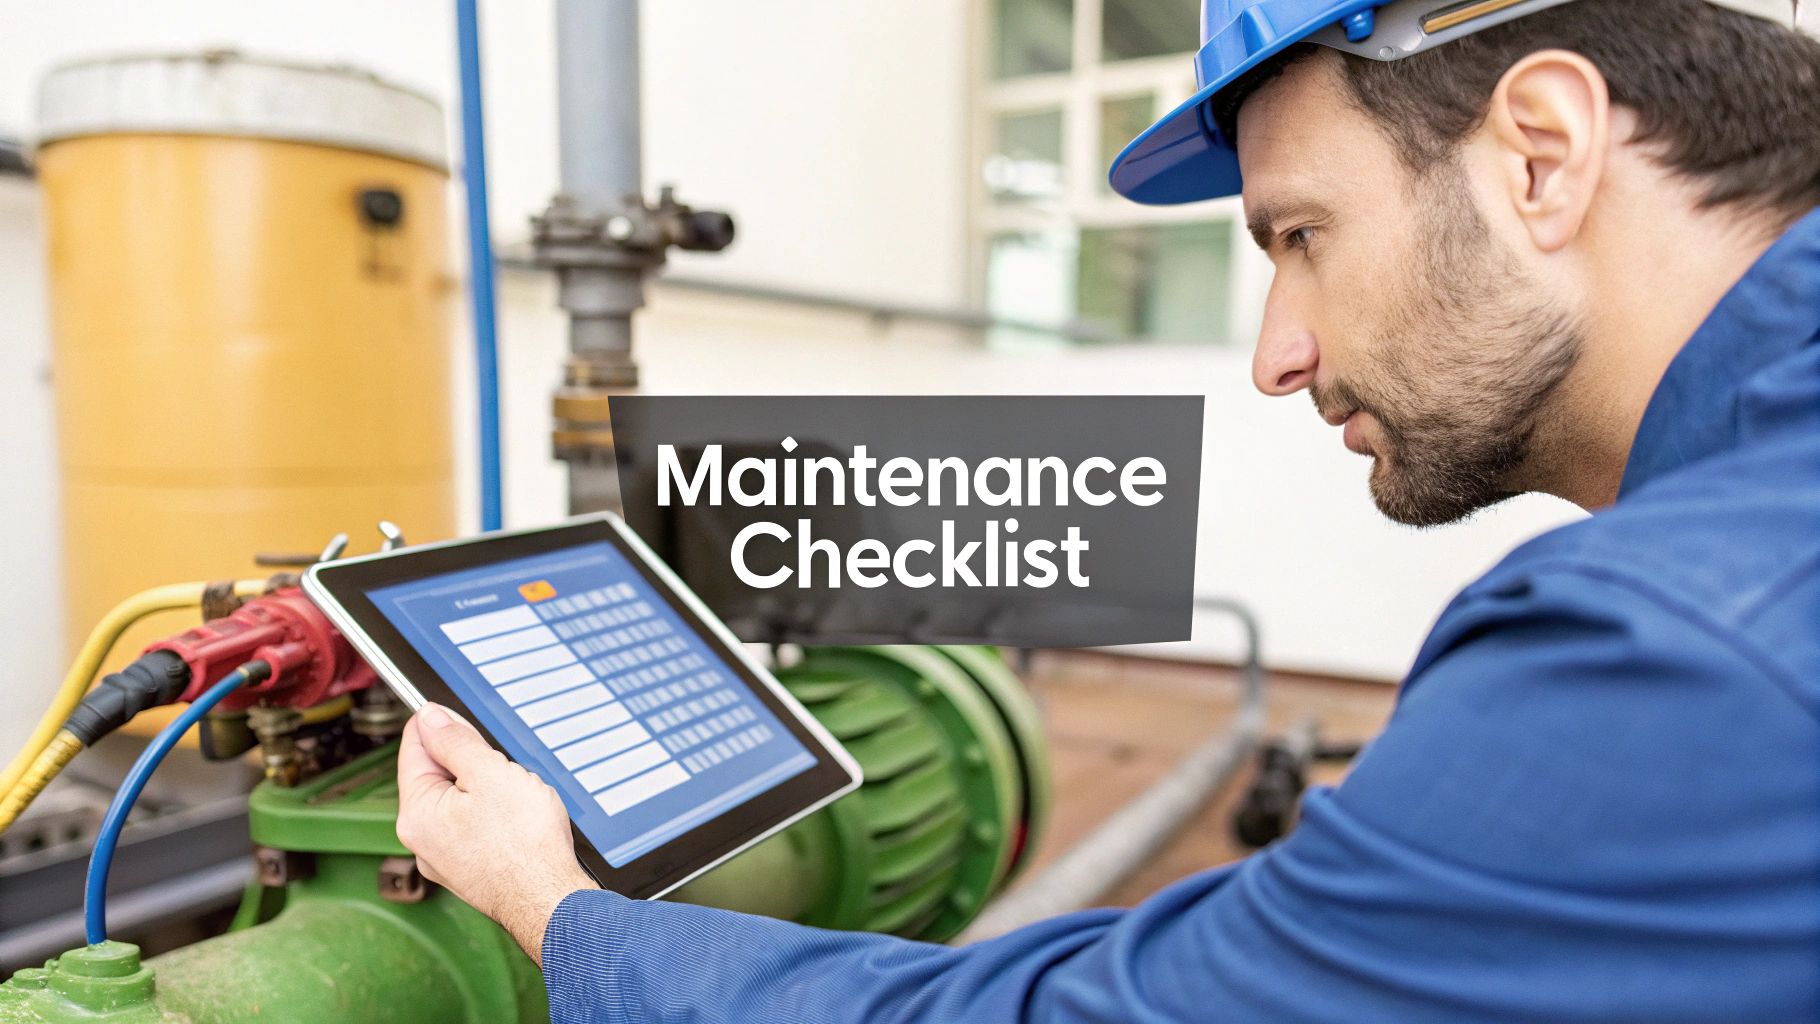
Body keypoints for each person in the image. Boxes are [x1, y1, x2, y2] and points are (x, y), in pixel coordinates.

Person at [395, 0, 1820, 1019]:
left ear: (1542, 154)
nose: (1277, 354)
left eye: (1299, 237)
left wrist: (558, 911)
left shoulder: (1672, 643)